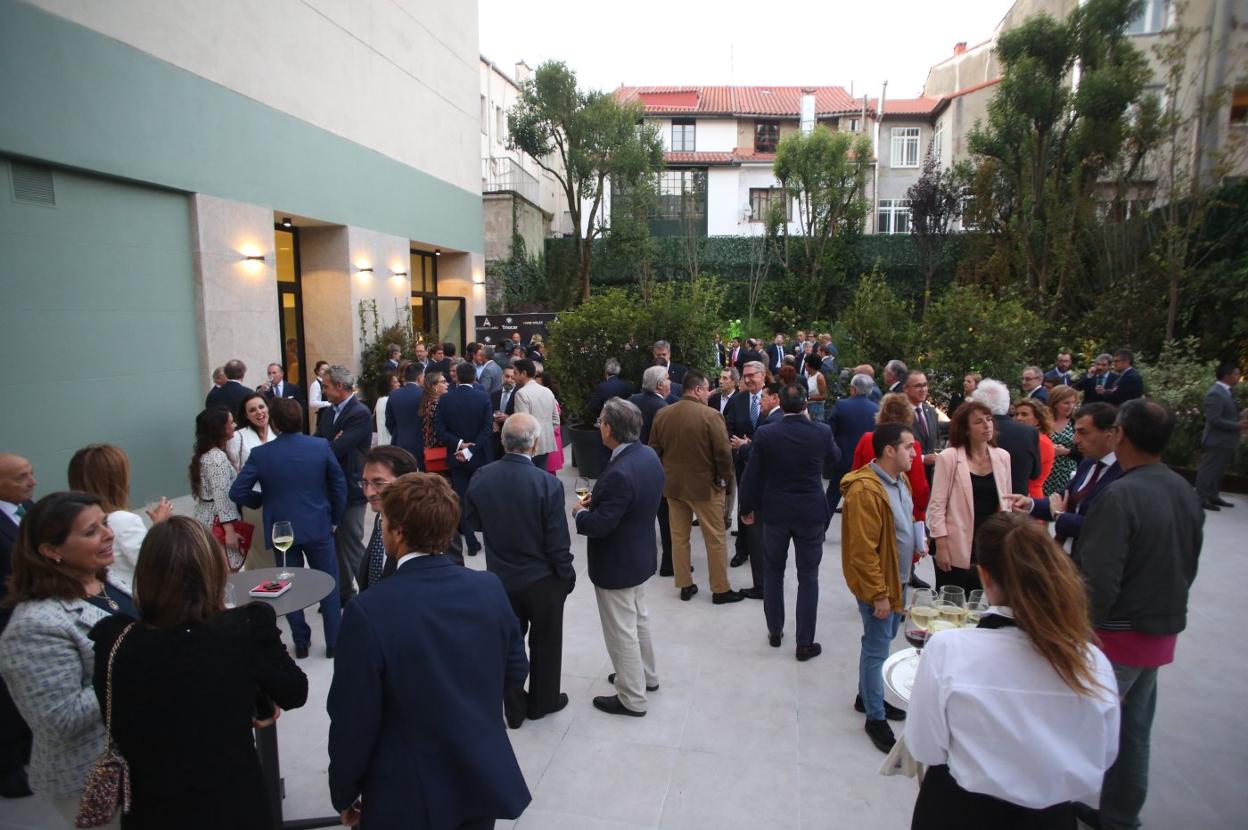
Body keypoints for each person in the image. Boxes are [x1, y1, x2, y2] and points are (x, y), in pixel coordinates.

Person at [327, 473, 531, 829]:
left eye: (385, 521)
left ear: (400, 532)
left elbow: (352, 719)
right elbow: (515, 671)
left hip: (407, 793)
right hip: (478, 776)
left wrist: (344, 791)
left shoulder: (369, 611)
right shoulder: (489, 587)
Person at [88, 517, 308, 830]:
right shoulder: (243, 628)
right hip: (230, 803)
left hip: (151, 809)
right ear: (213, 569)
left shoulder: (112, 639)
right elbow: (294, 691)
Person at [906, 512, 1120, 827]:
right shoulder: (1092, 662)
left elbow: (924, 746)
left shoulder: (948, 650)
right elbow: (1102, 757)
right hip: (1049, 819)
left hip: (958, 811)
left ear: (985, 576)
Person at [1072, 399, 1204, 830]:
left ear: (1120, 435)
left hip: (1116, 636)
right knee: (1133, 733)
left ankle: (1049, 809)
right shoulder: (1184, 489)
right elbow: (1190, 563)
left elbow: (1099, 580)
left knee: (1074, 728)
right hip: (1159, 633)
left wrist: (1080, 631)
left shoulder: (1121, 495)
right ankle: (1120, 816)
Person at [0, 492, 136, 827]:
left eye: (104, 523)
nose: (109, 534)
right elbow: (59, 718)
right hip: (95, 776)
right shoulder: (34, 625)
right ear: (51, 551)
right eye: (91, 531)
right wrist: (138, 664)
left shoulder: (103, 581)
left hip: (143, 754)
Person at [464, 413, 575, 728]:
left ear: (503, 441)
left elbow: (471, 522)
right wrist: (566, 575)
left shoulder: (482, 476)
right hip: (541, 579)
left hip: (500, 576)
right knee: (547, 642)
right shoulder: (547, 484)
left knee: (508, 643)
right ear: (536, 444)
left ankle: (514, 708)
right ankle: (543, 702)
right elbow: (557, 542)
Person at [230, 398, 347, 659]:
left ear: (275, 422)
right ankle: (334, 643)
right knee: (329, 583)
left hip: (282, 530)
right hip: (318, 525)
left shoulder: (261, 454)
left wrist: (261, 502)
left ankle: (301, 642)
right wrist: (335, 518)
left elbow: (237, 491)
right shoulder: (320, 446)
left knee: (288, 585)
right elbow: (339, 485)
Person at [574, 399, 664, 717]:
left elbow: (600, 525)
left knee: (621, 630)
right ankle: (644, 676)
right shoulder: (647, 455)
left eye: (601, 421)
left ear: (610, 428)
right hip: (638, 556)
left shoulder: (621, 471)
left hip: (618, 563)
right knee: (638, 620)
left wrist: (580, 515)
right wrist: (596, 500)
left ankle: (632, 696)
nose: (599, 426)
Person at [840, 422, 924, 753]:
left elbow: (902, 522)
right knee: (877, 648)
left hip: (898, 580)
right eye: (909, 447)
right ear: (890, 450)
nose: (915, 453)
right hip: (882, 587)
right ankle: (875, 716)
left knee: (884, 641)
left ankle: (867, 695)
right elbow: (862, 551)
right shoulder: (865, 491)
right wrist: (879, 594)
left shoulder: (899, 480)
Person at [738, 383, 837, 661]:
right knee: (808, 577)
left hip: (776, 513)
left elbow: (752, 474)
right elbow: (836, 457)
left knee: (774, 571)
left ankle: (774, 630)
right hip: (809, 514)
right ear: (806, 404)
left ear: (780, 402)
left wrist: (747, 507)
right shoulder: (821, 432)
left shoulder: (767, 433)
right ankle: (804, 642)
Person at [649, 370, 743, 605]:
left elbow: (654, 449)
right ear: (698, 389)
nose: (709, 393)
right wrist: (724, 481)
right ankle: (720, 589)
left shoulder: (663, 414)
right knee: (715, 538)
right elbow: (723, 454)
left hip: (673, 487)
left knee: (679, 537)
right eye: (707, 388)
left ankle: (684, 584)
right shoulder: (711, 416)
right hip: (705, 488)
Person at [928, 400, 1012, 593]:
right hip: (954, 542)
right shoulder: (949, 457)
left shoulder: (1003, 456)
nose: (987, 425)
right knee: (950, 601)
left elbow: (1004, 502)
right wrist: (940, 545)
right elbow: (937, 505)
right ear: (965, 429)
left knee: (976, 602)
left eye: (989, 420)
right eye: (978, 422)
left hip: (987, 543)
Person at [1011, 402, 1124, 545]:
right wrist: (1029, 503)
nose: (1075, 440)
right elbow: (1062, 499)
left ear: (1111, 434)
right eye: (1075, 431)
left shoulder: (1124, 475)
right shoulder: (1088, 463)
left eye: (1083, 432)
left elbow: (1100, 528)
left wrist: (1059, 516)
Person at [66, 445, 172, 587]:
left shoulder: (76, 521)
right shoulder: (123, 520)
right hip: (133, 594)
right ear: (117, 480)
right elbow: (155, 566)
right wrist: (160, 526)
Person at [317, 365, 372, 605]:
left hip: (351, 489)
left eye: (326, 386)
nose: (323, 391)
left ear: (340, 386)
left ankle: (371, 592)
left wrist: (330, 443)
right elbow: (318, 443)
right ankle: (344, 592)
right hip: (330, 488)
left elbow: (336, 448)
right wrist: (329, 442)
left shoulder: (359, 412)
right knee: (337, 543)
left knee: (351, 542)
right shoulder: (329, 412)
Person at [0, 454, 35, 799]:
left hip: (31, 611)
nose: (32, 482)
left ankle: (26, 748)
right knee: (5, 699)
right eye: (22, 477)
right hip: (7, 617)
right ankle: (7, 768)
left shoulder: (28, 509)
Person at [435, 362, 494, 557]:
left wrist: (460, 445)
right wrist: (470, 449)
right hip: (480, 458)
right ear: (474, 378)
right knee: (485, 499)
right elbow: (487, 430)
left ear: (457, 377)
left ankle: (471, 541)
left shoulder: (445, 400)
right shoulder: (483, 397)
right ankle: (490, 540)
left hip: (456, 458)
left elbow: (440, 430)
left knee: (460, 499)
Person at [849, 394, 931, 525]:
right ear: (908, 416)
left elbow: (854, 475)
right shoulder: (911, 446)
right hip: (901, 518)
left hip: (867, 510)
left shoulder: (866, 439)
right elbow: (919, 489)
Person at [356, 446, 420, 593]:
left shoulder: (430, 528)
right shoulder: (382, 515)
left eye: (378, 483)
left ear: (407, 481)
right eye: (365, 483)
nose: (368, 492)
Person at [629, 366, 674, 575]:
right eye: (667, 379)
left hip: (632, 465)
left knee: (638, 517)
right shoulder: (663, 408)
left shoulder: (632, 401)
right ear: (658, 384)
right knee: (666, 519)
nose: (670, 382)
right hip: (657, 468)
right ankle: (669, 564)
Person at [190, 407, 246, 570]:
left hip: (207, 518)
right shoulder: (216, 458)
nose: (235, 424)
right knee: (225, 571)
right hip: (217, 523)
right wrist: (229, 532)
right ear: (220, 429)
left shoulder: (208, 454)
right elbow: (222, 496)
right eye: (231, 422)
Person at [972, 379, 1039, 496]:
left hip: (979, 502)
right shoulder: (1029, 432)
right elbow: (1035, 473)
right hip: (1016, 503)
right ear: (1006, 403)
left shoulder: (973, 431)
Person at [826, 374, 881, 515]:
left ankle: (820, 531)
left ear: (854, 389)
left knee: (832, 497)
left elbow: (830, 431)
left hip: (842, 458)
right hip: (866, 463)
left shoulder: (841, 405)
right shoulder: (877, 409)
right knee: (862, 501)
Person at [1195, 362, 1246, 510]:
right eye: (1236, 373)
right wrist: (1238, 425)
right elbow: (1214, 419)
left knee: (1219, 470)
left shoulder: (1228, 392)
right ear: (1226, 375)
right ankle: (1201, 497)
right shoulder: (1215, 393)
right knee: (1209, 469)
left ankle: (1213, 495)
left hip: (1226, 440)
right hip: (1216, 439)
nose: (1238, 377)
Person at [512, 359, 559, 471]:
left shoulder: (521, 393)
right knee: (540, 479)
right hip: (545, 444)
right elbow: (556, 420)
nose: (513, 376)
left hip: (528, 447)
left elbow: (522, 424)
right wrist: (544, 433)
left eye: (515, 373)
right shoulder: (547, 391)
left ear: (523, 373)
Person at [1012, 397, 1055, 501]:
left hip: (1030, 495)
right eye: (1016, 414)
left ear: (1037, 420)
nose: (1018, 418)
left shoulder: (1041, 441)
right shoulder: (1026, 438)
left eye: (1024, 414)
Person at [385, 361, 425, 460]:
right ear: (419, 377)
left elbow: (389, 422)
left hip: (399, 444)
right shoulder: (425, 394)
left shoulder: (393, 395)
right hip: (421, 445)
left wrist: (399, 434)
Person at [1044, 384, 1079, 496]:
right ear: (1055, 404)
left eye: (1073, 402)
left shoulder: (1076, 422)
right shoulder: (1044, 421)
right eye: (1066, 403)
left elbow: (1086, 452)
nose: (1071, 406)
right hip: (1046, 471)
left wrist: (1066, 452)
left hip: (1067, 472)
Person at [535, 366, 566, 474]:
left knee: (549, 473)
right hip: (549, 441)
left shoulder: (551, 400)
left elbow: (556, 423)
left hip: (550, 441)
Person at [420, 370, 450, 474]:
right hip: (439, 453)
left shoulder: (427, 402)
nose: (447, 384)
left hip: (430, 451)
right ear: (434, 386)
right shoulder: (436, 405)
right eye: (443, 381)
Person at [372, 370, 400, 447]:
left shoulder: (380, 400)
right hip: (390, 443)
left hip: (383, 443)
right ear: (388, 385)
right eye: (395, 382)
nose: (399, 384)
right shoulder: (389, 400)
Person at [307, 360, 332, 430]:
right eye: (323, 369)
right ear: (317, 371)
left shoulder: (329, 383)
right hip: (323, 415)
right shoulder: (315, 384)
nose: (325, 371)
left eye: (327, 369)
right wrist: (328, 403)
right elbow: (312, 403)